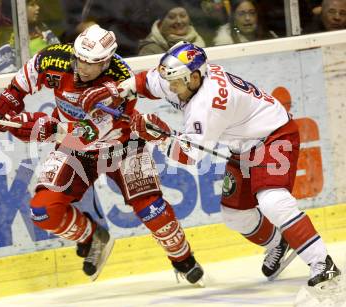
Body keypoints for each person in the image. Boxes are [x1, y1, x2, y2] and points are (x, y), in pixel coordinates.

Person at [79, 41, 342, 288]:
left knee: (272, 200)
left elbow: (190, 156)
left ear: (194, 78)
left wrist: (159, 137)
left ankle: (322, 263)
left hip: (273, 136)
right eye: (168, 81)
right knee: (235, 216)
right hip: (243, 146)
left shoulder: (208, 104)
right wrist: (116, 91)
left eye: (175, 84)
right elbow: (145, 82)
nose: (170, 88)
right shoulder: (183, 78)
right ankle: (278, 243)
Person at [0, 25, 204, 284]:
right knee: (43, 211)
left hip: (123, 147)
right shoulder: (52, 58)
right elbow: (16, 89)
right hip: (75, 152)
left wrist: (44, 128)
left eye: (92, 63)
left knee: (153, 211)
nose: (83, 67)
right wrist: (7, 115)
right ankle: (92, 238)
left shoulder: (121, 79)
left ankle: (183, 259)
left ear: (107, 61)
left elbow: (88, 132)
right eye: (80, 58)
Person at [0, 0, 60, 74]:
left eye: (37, 4)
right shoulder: (5, 38)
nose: (38, 7)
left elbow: (60, 55)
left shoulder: (41, 28)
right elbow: (8, 74)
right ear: (17, 9)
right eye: (32, 5)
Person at [138, 4, 206, 55]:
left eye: (182, 15)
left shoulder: (198, 40)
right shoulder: (149, 50)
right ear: (161, 22)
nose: (179, 21)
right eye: (172, 17)